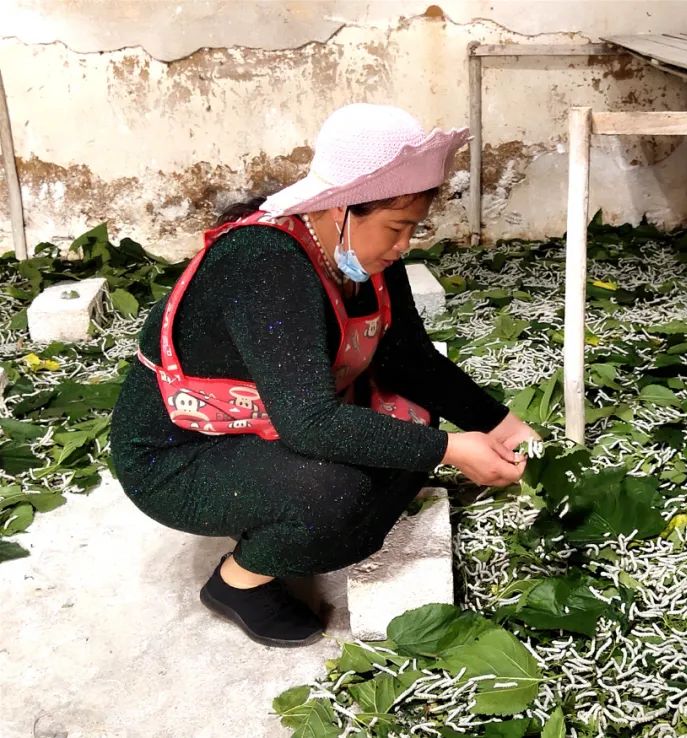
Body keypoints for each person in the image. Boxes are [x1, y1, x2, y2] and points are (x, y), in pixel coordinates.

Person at [110, 103, 538, 647]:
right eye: (396, 227)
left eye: (413, 228)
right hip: (178, 452)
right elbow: (310, 423)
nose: (404, 244)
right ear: (340, 210)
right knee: (339, 498)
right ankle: (239, 581)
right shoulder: (265, 261)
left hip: (271, 422)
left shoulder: (364, 256)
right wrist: (450, 450)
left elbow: (410, 361)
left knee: (411, 415)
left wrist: (501, 425)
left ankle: (275, 512)